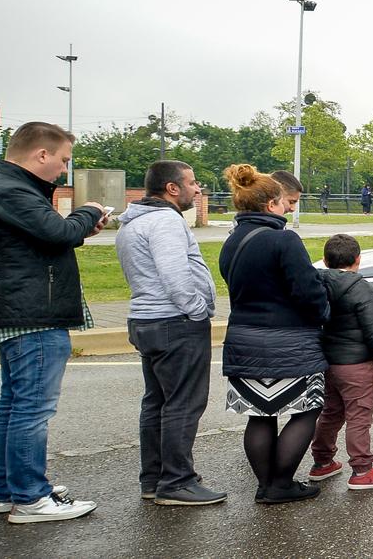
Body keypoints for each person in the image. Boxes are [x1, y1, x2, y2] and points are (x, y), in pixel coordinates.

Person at [0, 122, 108, 523]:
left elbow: (46, 237)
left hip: (16, 308)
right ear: (41, 155)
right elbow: (58, 231)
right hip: (32, 313)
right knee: (32, 408)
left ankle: (7, 489)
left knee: (14, 403)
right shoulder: (12, 191)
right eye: (63, 160)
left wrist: (80, 228)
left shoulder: (0, 188)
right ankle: (31, 497)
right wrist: (90, 212)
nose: (64, 170)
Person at [217, 164, 330, 504]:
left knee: (258, 415)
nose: (288, 208)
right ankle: (281, 483)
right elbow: (307, 291)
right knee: (306, 411)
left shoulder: (232, 242)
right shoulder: (284, 240)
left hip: (243, 341)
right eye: (285, 202)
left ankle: (265, 484)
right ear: (271, 205)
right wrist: (324, 311)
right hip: (290, 342)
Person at [118, 160, 225, 506]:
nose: (198, 190)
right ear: (172, 188)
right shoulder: (165, 222)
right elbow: (175, 276)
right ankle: (177, 481)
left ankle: (154, 478)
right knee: (183, 403)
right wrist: (197, 311)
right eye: (192, 183)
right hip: (174, 322)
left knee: (157, 401)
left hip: (146, 320)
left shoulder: (134, 223)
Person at [306, 235, 373, 491]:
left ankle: (322, 461)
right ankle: (362, 469)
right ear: (358, 259)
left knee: (331, 412)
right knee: (359, 414)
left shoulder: (317, 282)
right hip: (356, 363)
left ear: (325, 260)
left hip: (327, 361)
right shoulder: (358, 286)